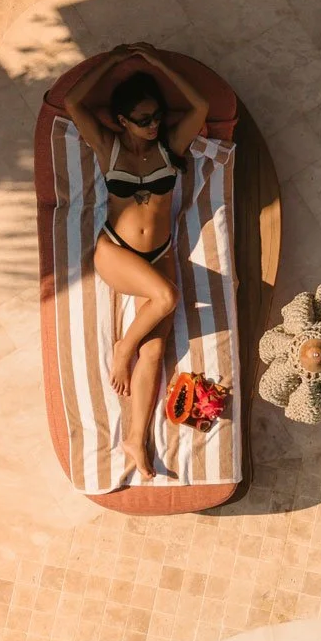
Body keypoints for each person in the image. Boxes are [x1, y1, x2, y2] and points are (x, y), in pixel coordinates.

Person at [63, 44, 210, 482]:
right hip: (116, 254)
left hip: (159, 253)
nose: (152, 126)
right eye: (142, 119)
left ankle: (134, 438)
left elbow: (199, 106)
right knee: (166, 296)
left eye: (156, 117)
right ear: (121, 120)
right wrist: (109, 61)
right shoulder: (107, 148)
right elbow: (74, 102)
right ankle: (121, 349)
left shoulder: (169, 146)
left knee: (157, 350)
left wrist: (161, 65)